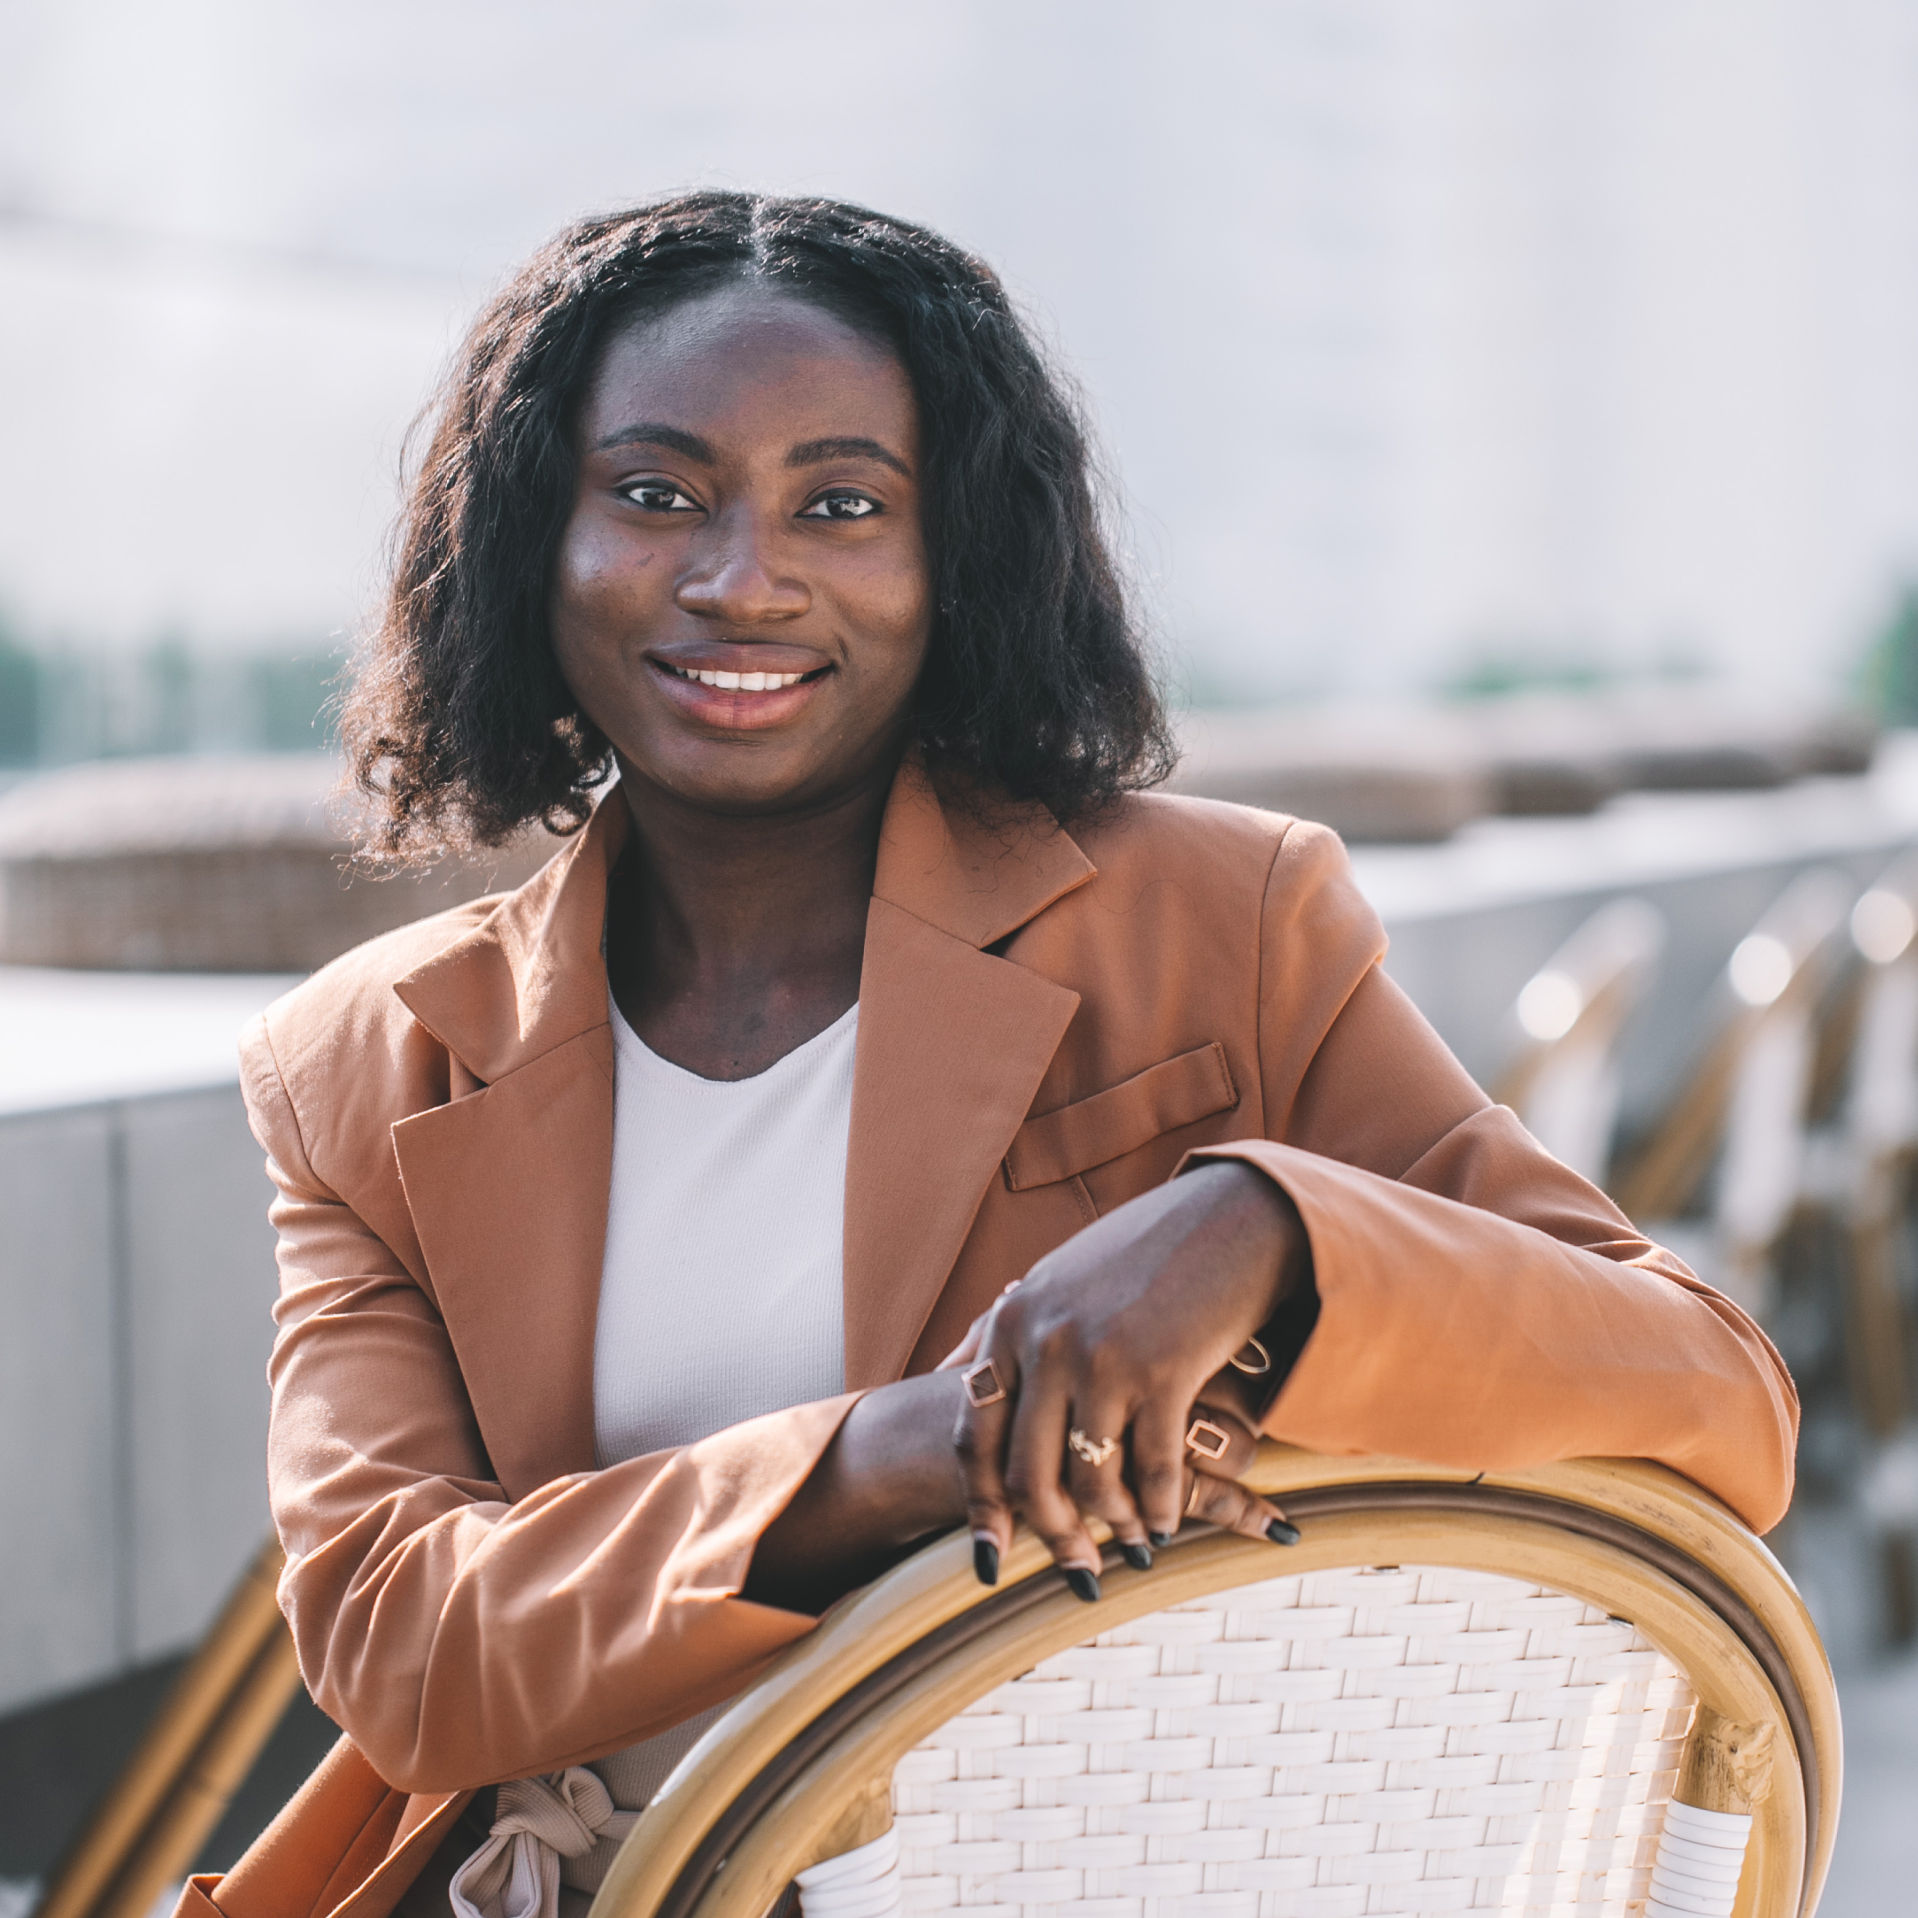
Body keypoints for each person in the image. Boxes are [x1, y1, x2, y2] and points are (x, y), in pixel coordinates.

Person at [178, 192, 1796, 1918]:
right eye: (654, 495)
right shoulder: (372, 1062)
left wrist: (1267, 1228)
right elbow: (404, 1644)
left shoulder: (1223, 921)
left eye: (845, 504)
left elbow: (1713, 1396)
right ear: (532, 539)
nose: (742, 579)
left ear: (958, 558)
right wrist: (896, 1452)